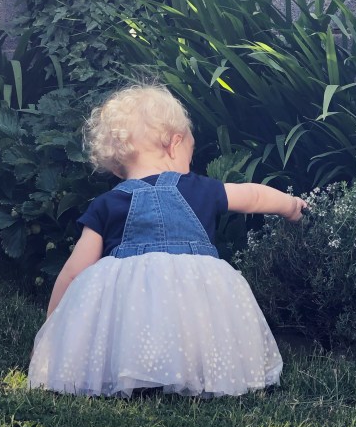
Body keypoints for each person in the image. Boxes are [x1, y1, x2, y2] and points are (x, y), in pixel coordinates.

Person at [28, 83, 306, 398]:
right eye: (190, 152)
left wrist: (50, 335)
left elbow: (73, 272)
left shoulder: (107, 204)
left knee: (133, 311)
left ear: (118, 166)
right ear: (174, 144)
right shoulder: (199, 189)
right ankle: (196, 371)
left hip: (132, 309)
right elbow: (252, 196)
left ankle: (137, 372)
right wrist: (290, 205)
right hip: (193, 299)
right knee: (197, 314)